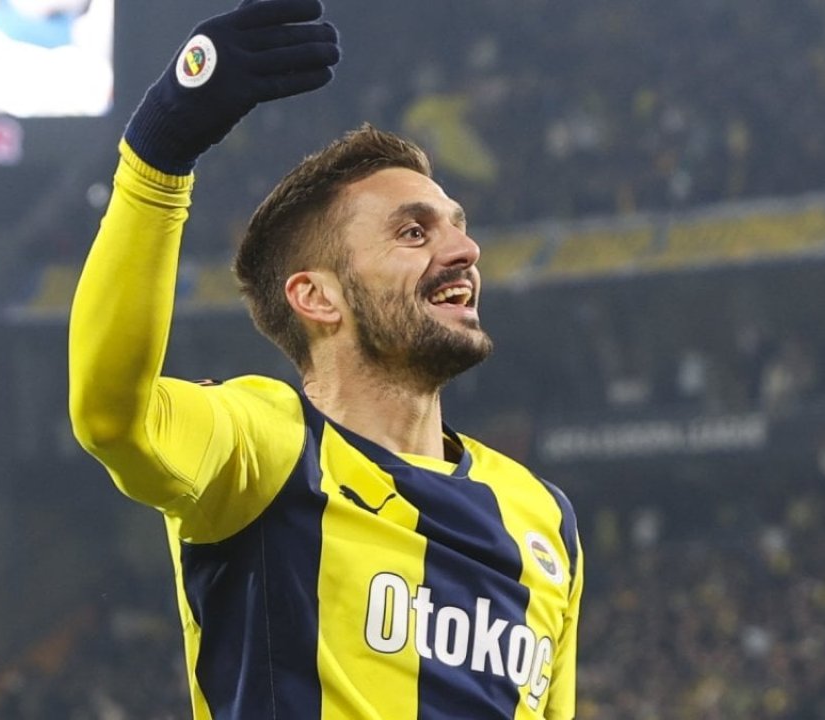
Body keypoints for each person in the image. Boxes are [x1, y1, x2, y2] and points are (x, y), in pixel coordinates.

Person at [67, 1, 583, 717]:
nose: (465, 250)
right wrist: (159, 153)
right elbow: (112, 417)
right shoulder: (268, 450)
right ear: (317, 297)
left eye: (458, 228)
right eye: (413, 233)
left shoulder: (543, 517)